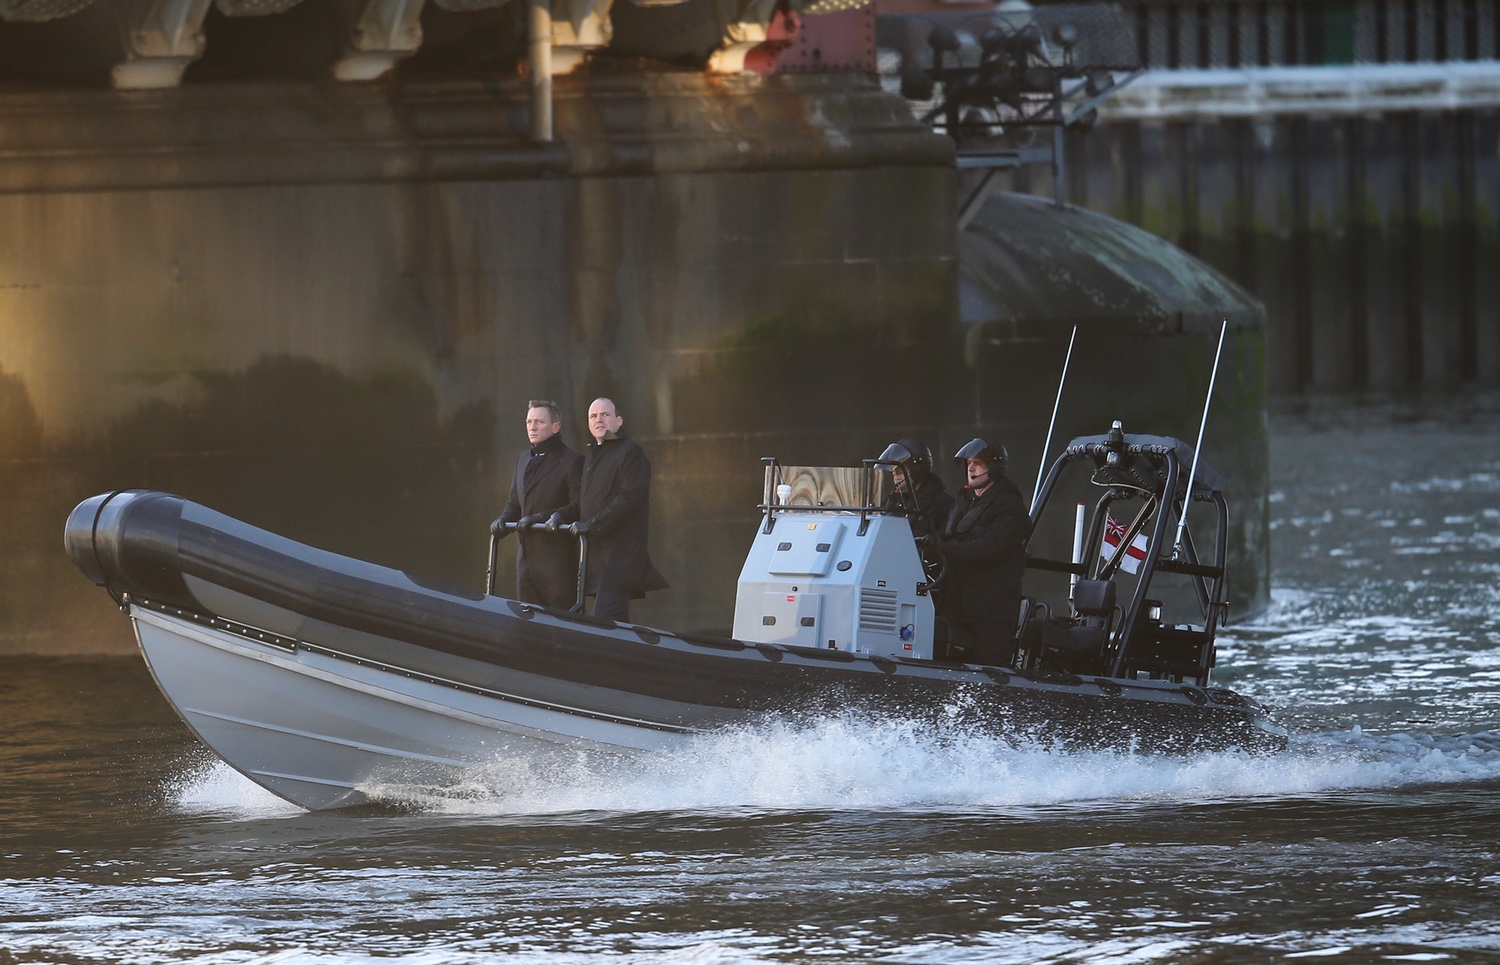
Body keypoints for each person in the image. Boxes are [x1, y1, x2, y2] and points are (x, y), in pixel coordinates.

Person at [556, 397, 668, 622]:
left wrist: (591, 526)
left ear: (618, 421)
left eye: (605, 415)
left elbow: (629, 499)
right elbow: (587, 502)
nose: (599, 420)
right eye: (593, 416)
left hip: (620, 555)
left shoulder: (631, 452)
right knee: (614, 625)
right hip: (596, 555)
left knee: (604, 621)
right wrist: (556, 515)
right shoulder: (592, 456)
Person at [934, 437, 1029, 666]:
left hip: (990, 611)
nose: (971, 468)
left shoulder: (1009, 506)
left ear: (994, 468)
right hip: (957, 602)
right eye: (969, 463)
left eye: (978, 463)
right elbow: (945, 536)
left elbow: (993, 546)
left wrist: (949, 550)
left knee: (987, 670)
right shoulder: (964, 501)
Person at [490, 400, 584, 608]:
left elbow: (579, 505)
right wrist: (504, 520)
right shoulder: (522, 459)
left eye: (539, 422)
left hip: (558, 563)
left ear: (555, 427)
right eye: (529, 422)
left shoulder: (572, 460)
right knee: (527, 619)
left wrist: (541, 518)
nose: (532, 427)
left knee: (561, 622)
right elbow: (515, 501)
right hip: (526, 563)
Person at [876, 437, 954, 540]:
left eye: (900, 467)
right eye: (893, 468)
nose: (894, 472)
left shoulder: (943, 504)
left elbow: (944, 545)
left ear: (917, 469)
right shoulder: (890, 501)